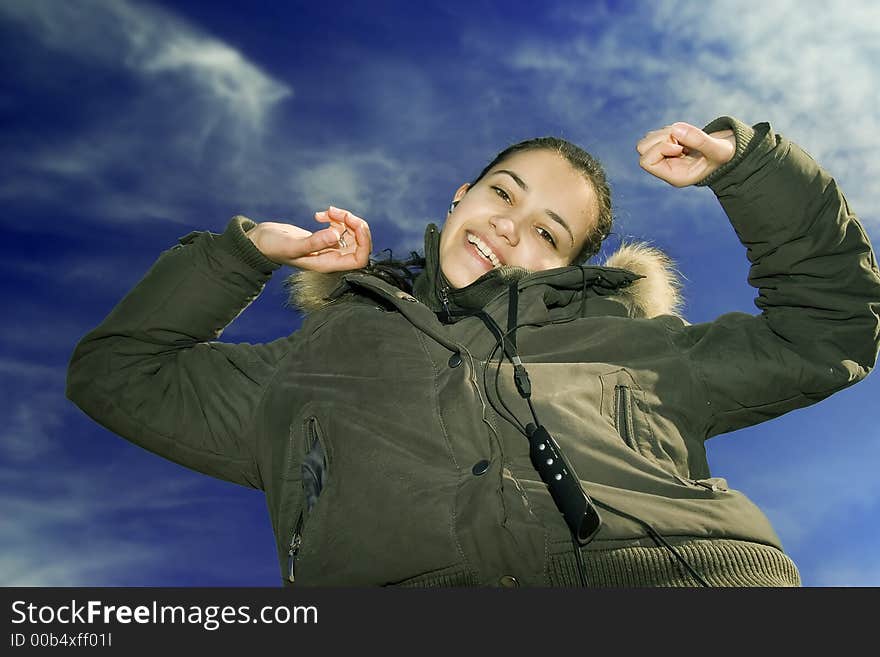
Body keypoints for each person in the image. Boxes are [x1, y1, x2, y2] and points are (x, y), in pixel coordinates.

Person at [66, 116, 880, 587]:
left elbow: (828, 331)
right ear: (463, 194)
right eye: (502, 192)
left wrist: (752, 170)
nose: (507, 226)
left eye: (547, 232)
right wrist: (249, 255)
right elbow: (117, 371)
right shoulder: (306, 366)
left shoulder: (643, 348)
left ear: (569, 266)